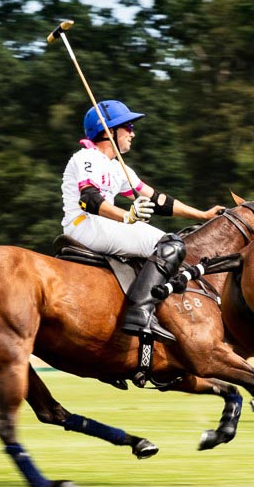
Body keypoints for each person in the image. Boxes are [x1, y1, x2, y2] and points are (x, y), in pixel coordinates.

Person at [62, 100, 224, 343]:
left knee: (169, 243)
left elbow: (158, 200)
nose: (132, 133)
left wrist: (202, 215)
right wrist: (126, 216)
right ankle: (140, 313)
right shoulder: (86, 157)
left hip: (103, 225)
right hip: (84, 225)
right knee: (171, 245)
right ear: (109, 132)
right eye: (127, 126)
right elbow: (90, 200)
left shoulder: (118, 168)